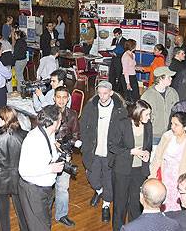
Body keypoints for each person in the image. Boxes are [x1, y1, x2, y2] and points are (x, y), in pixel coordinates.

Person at [81, 81, 127, 222]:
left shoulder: (120, 109)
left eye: (105, 93)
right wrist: (84, 145)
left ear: (111, 93)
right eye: (99, 93)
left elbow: (124, 131)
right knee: (92, 177)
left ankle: (106, 205)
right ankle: (99, 191)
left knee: (108, 180)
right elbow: (83, 126)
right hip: (94, 150)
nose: (102, 96)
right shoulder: (90, 107)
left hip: (110, 153)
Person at [109, 100, 153, 231]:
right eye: (147, 114)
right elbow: (112, 146)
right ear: (138, 113)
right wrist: (131, 151)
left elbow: (148, 146)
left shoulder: (148, 125)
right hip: (122, 170)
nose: (149, 118)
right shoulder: (122, 124)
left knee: (136, 203)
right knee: (120, 204)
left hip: (139, 171)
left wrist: (146, 153)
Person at [18, 105, 64, 231]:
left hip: (44, 190)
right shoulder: (34, 139)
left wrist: (59, 156)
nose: (61, 122)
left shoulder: (50, 134)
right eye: (60, 120)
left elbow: (47, 156)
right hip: (33, 190)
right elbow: (24, 171)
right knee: (40, 227)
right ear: (54, 122)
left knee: (42, 224)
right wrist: (51, 169)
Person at [0, 107, 28, 231]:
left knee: (2, 214)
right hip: (20, 179)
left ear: (3, 120)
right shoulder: (25, 135)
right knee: (22, 213)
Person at [150, 111, 186, 211]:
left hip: (182, 181)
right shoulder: (167, 137)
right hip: (165, 178)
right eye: (171, 124)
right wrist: (152, 176)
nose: (172, 127)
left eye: (176, 125)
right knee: (164, 205)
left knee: (178, 208)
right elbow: (157, 158)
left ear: (185, 126)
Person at [53, 86, 81, 227]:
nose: (61, 100)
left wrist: (67, 144)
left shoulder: (73, 115)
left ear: (68, 98)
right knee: (46, 187)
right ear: (54, 98)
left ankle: (61, 214)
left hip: (65, 154)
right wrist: (53, 143)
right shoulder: (47, 112)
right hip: (48, 155)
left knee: (63, 187)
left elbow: (76, 135)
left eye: (64, 97)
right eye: (59, 97)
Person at [141, 66, 179, 151]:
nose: (171, 79)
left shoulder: (173, 93)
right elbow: (141, 117)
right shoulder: (147, 95)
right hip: (154, 136)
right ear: (161, 78)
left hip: (171, 134)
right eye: (168, 77)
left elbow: (178, 113)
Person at [0, 41, 12, 128]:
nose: (2, 51)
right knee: (1, 111)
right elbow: (8, 75)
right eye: (1, 49)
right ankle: (0, 129)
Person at [109, 28, 127, 93]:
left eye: (116, 35)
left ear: (120, 34)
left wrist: (117, 55)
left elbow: (125, 52)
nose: (115, 37)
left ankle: (119, 91)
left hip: (120, 60)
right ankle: (111, 89)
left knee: (119, 75)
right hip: (113, 59)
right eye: (114, 35)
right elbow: (112, 48)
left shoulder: (124, 41)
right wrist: (111, 52)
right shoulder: (114, 40)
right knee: (111, 74)